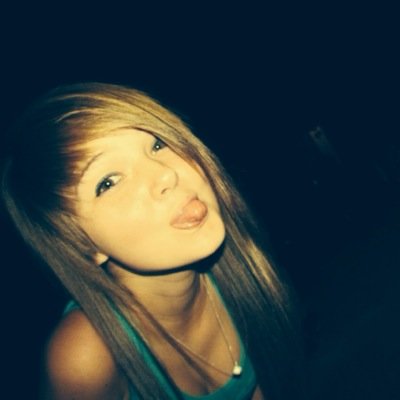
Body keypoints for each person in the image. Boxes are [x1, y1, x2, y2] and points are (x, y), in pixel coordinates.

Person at [1, 82, 303, 399]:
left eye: (158, 144)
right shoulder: (84, 361)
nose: (166, 174)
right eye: (109, 182)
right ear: (81, 245)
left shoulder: (244, 265)